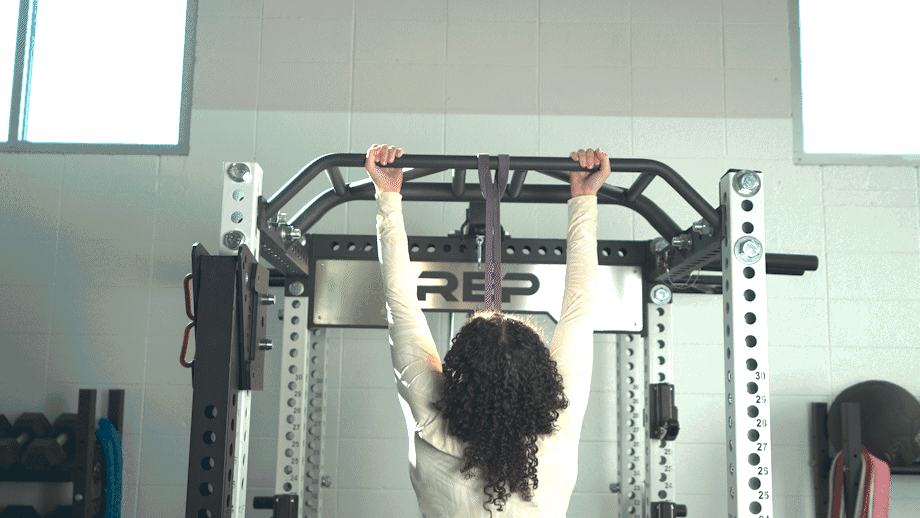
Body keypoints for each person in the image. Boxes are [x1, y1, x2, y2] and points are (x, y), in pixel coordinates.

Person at [367, 144, 610, 517]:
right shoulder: (560, 424)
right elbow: (581, 303)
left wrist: (387, 193)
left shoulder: (429, 415)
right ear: (541, 377)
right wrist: (583, 197)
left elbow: (400, 300)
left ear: (457, 373)